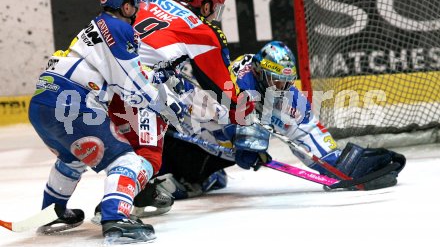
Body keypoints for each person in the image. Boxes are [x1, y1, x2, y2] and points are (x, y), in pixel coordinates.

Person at [28, 0, 185, 244]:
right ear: (126, 5)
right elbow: (132, 84)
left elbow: (116, 78)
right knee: (127, 160)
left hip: (43, 100)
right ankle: (116, 218)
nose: (139, 8)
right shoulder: (120, 28)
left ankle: (52, 211)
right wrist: (167, 103)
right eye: (137, 3)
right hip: (72, 101)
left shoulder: (98, 25)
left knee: (72, 158)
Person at [153, 41, 406, 199]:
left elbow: (309, 138)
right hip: (182, 131)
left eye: (286, 81)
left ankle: (204, 177)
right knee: (159, 161)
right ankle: (201, 176)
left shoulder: (291, 100)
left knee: (186, 172)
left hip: (211, 149)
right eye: (276, 80)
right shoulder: (237, 80)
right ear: (260, 71)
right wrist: (247, 140)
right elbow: (224, 121)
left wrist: (342, 165)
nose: (281, 87)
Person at [100, 0, 255, 216]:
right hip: (137, 91)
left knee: (120, 149)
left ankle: (129, 192)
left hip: (99, 83)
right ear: (205, 5)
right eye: (214, 9)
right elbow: (221, 87)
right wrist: (243, 128)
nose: (214, 15)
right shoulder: (202, 30)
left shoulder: (151, 2)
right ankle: (115, 207)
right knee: (150, 154)